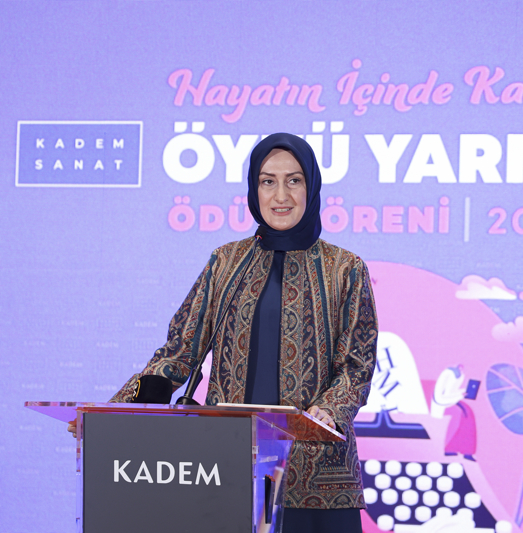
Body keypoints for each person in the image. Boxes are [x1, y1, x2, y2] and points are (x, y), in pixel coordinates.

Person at [81, 133, 378, 532]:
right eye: (268, 181)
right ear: (254, 190)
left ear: (311, 187)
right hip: (225, 467)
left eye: (294, 180)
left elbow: (357, 365)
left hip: (316, 474)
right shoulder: (226, 262)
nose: (281, 195)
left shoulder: (345, 269)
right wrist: (114, 415)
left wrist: (328, 410)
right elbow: (180, 350)